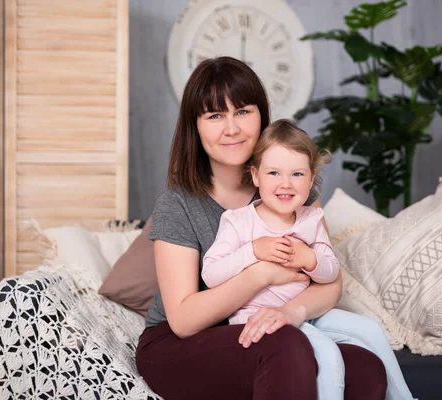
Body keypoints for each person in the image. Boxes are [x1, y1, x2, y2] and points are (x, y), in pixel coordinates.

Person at [135, 56, 388, 400]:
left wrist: (289, 312)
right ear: (195, 127)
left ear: (261, 114)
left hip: (259, 332)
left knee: (365, 367)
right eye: (214, 116)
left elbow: (330, 284)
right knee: (283, 344)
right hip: (177, 345)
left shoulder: (288, 189)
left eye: (242, 111)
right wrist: (263, 273)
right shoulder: (178, 202)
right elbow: (183, 319)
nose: (232, 128)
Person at [201, 119, 415, 400]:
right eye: (274, 173)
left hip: (308, 314)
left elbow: (330, 274)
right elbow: (211, 274)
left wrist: (310, 258)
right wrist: (253, 250)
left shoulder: (311, 220)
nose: (286, 184)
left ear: (311, 179)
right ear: (256, 176)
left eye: (297, 175)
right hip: (259, 318)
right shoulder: (239, 222)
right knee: (327, 354)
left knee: (370, 330)